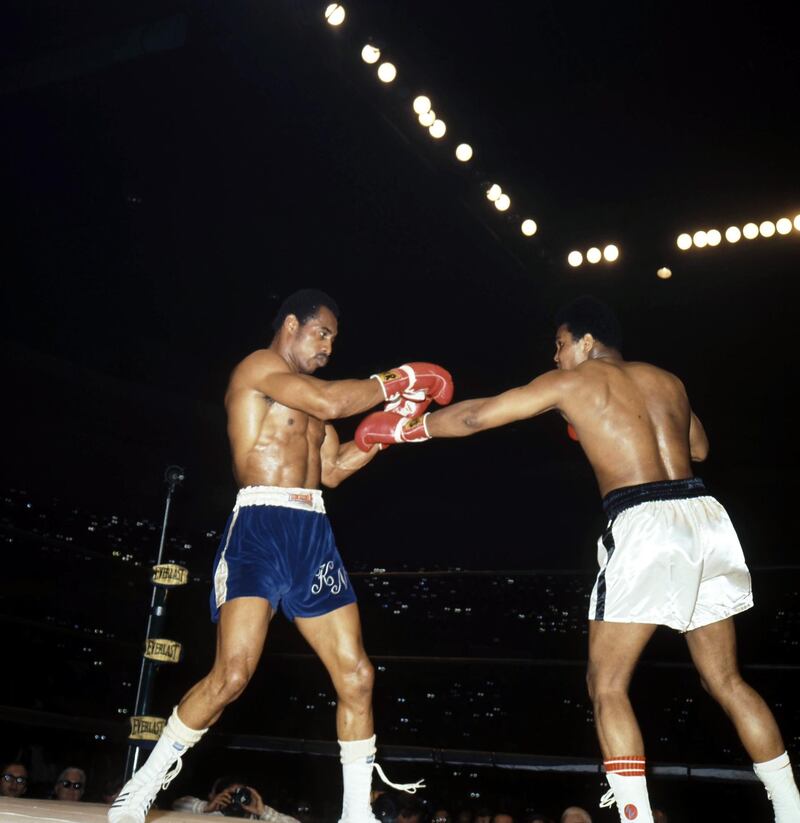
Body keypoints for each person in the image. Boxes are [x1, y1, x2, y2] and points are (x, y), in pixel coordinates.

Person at [356, 296, 800, 823]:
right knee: (726, 681)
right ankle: (791, 808)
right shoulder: (668, 380)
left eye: (561, 344)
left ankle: (634, 815)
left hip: (643, 520)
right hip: (704, 515)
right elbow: (698, 448)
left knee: (606, 683)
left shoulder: (572, 382)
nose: (557, 355)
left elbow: (477, 416)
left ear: (587, 342)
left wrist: (410, 429)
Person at [110, 289, 450, 823]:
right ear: (292, 325)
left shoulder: (317, 403)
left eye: (335, 340)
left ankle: (355, 814)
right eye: (323, 334)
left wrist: (392, 431)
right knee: (233, 674)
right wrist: (398, 380)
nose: (329, 348)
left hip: (313, 532)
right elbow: (334, 401)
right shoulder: (259, 368)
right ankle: (140, 788)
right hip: (261, 529)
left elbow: (333, 470)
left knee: (357, 676)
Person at [173, 775, 299, 821]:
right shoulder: (211, 813)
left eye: (240, 795)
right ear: (215, 796)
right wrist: (205, 808)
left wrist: (262, 812)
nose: (235, 800)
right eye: (229, 795)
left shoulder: (258, 817)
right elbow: (177, 805)